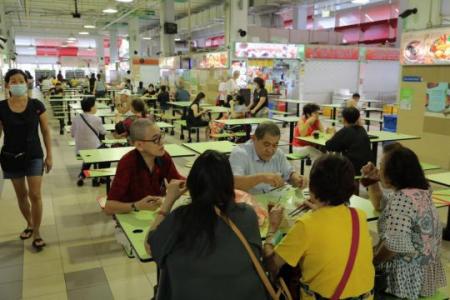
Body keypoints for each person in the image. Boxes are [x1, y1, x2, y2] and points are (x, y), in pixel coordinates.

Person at [145, 150, 269, 300]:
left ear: (192, 184)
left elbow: (150, 246)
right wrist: (273, 229)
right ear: (229, 183)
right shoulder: (247, 214)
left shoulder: (181, 217)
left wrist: (168, 202)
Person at [264, 154, 375, 299]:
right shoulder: (359, 216)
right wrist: (320, 209)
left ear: (313, 187)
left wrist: (272, 228)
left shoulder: (306, 224)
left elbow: (271, 265)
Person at [361, 144, 446, 299]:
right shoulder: (420, 192)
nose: (379, 170)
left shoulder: (402, 200)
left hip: (405, 278)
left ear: (395, 173)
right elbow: (380, 204)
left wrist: (371, 263)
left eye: (381, 166)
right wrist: (372, 181)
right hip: (424, 272)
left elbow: (393, 246)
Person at [0, 69, 52, 251]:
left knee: (35, 195)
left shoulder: (36, 105)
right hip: (11, 156)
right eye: (12, 81)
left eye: (20, 80)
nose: (17, 84)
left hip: (34, 156)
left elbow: (45, 131)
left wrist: (49, 155)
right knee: (21, 195)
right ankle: (29, 223)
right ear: (7, 85)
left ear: (27, 82)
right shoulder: (1, 107)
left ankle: (37, 232)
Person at [105, 119, 184, 215]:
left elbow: (177, 180)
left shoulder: (163, 157)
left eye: (161, 136)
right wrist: (137, 206)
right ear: (139, 145)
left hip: (156, 213)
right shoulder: (127, 163)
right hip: (131, 214)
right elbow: (108, 207)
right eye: (155, 139)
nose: (162, 142)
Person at [229, 121, 306, 194]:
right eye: (266, 144)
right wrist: (262, 178)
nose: (270, 150)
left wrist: (296, 179)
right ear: (254, 139)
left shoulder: (278, 153)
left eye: (275, 145)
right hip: (249, 203)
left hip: (274, 202)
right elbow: (233, 183)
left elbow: (289, 173)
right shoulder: (240, 153)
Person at [325, 107, 373, 176]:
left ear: (344, 119)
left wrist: (333, 134)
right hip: (367, 166)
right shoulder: (362, 129)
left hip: (352, 168)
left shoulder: (345, 131)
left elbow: (329, 146)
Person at [71, 97, 107, 186]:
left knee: (89, 154)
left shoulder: (76, 118)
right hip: (93, 149)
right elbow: (103, 132)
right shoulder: (97, 119)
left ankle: (82, 175)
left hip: (80, 150)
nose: (96, 107)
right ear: (91, 107)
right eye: (95, 105)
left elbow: (72, 134)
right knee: (105, 151)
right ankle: (102, 176)